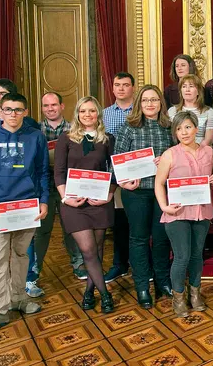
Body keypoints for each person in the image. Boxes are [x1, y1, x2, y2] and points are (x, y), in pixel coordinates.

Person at [0, 93, 48, 337]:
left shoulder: (36, 137)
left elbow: (42, 171)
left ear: (26, 112)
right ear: (0, 111)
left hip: (26, 207)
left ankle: (18, 297)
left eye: (18, 109)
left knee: (21, 255)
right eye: (8, 109)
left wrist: (44, 201)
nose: (13, 114)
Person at [54, 97, 117, 313]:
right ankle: (105, 294)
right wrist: (65, 198)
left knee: (97, 251)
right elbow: (59, 172)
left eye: (91, 111)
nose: (87, 115)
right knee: (88, 250)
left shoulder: (107, 139)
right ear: (77, 114)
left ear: (98, 114)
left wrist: (109, 195)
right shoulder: (66, 139)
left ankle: (89, 291)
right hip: (73, 203)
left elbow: (115, 170)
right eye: (83, 111)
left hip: (99, 202)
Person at [114, 85, 173, 309]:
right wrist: (123, 181)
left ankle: (162, 280)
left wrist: (166, 161)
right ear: (139, 103)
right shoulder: (128, 127)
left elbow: (179, 157)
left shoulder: (169, 127)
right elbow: (116, 161)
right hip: (135, 193)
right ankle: (142, 286)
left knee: (161, 238)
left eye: (154, 100)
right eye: (146, 100)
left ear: (161, 103)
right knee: (138, 238)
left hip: (162, 192)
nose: (150, 104)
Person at [155, 111, 213, 317]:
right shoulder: (170, 154)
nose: (184, 132)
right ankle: (178, 297)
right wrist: (164, 206)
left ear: (196, 129)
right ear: (175, 132)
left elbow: (211, 175)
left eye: (188, 127)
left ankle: (195, 293)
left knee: (196, 255)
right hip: (177, 213)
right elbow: (159, 183)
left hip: (201, 212)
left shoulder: (208, 151)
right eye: (179, 129)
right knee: (182, 256)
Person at [37, 92, 86, 282]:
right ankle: (34, 268)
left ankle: (78, 263)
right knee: (41, 230)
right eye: (46, 105)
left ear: (62, 106)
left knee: (72, 227)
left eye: (54, 105)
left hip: (70, 185)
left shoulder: (75, 129)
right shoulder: (35, 130)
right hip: (43, 186)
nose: (50, 109)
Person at [102, 72, 135, 284]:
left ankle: (141, 263)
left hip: (137, 173)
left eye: (125, 85)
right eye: (117, 85)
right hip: (113, 175)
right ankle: (120, 263)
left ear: (133, 87)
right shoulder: (104, 114)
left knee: (138, 222)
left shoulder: (140, 111)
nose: (121, 88)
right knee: (119, 222)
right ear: (112, 88)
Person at [167, 74, 213, 146]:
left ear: (198, 91)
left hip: (201, 150)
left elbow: (209, 140)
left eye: (191, 86)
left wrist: (195, 150)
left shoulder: (208, 111)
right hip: (177, 150)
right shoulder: (172, 111)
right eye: (184, 86)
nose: (187, 90)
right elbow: (170, 137)